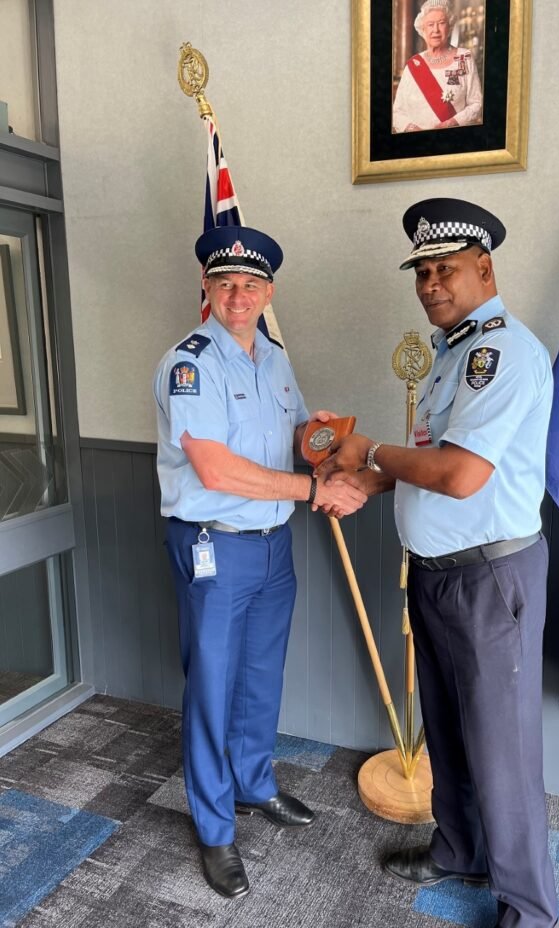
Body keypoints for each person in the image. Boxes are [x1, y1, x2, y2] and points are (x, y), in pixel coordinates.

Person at [317, 198, 559, 928]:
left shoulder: (500, 354)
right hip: (438, 573)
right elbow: (433, 462)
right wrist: (368, 481)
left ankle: (530, 910)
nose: (429, 284)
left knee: (503, 750)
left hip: (489, 579)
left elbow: (459, 476)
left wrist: (369, 450)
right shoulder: (453, 353)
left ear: (485, 268)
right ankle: (460, 850)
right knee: (448, 729)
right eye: (421, 272)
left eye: (444, 269)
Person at [153, 224, 366, 900]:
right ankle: (215, 829)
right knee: (211, 687)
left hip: (273, 545)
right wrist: (313, 489)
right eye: (225, 284)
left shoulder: (273, 359)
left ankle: (252, 783)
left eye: (250, 285)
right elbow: (215, 469)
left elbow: (294, 434)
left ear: (268, 293)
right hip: (214, 544)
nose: (237, 295)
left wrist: (321, 435)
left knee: (259, 676)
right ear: (207, 289)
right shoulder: (189, 365)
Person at [392, 0, 482, 134]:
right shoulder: (413, 64)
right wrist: (412, 129)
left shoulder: (464, 57)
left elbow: (476, 104)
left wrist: (452, 123)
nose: (436, 30)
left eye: (441, 23)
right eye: (430, 24)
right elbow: (397, 112)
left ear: (450, 27)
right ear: (423, 29)